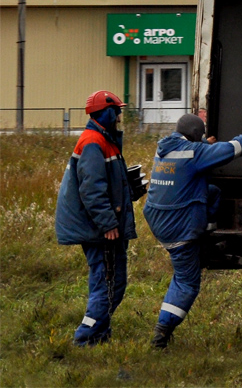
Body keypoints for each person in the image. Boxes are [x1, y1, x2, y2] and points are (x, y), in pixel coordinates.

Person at [143, 113, 242, 348]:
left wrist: (204, 145)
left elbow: (190, 154)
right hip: (177, 226)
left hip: (157, 217)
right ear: (195, 134)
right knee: (186, 283)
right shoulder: (195, 153)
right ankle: (161, 335)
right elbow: (230, 149)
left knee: (212, 191)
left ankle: (205, 235)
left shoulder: (165, 148)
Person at [54, 90, 139, 346]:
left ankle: (99, 336)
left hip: (99, 226)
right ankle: (85, 337)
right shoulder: (94, 142)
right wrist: (108, 224)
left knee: (110, 282)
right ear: (107, 113)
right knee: (109, 284)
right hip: (100, 229)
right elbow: (91, 189)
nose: (120, 115)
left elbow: (104, 183)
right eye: (117, 111)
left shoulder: (102, 139)